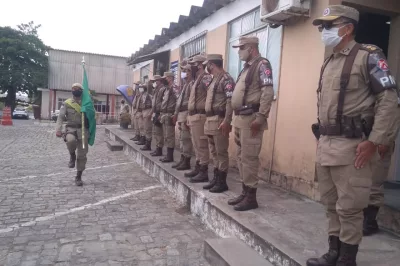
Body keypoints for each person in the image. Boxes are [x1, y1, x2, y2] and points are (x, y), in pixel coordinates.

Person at [308, 5, 398, 266]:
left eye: (329, 26)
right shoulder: (330, 61)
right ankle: (334, 252)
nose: (324, 31)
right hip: (327, 144)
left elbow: (389, 100)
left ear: (347, 28)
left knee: (349, 207)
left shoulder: (368, 56)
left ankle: (347, 258)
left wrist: (375, 140)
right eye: (323, 27)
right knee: (330, 204)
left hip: (352, 147)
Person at [227, 36, 274, 211]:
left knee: (249, 159)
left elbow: (267, 92)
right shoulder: (247, 68)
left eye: (241, 48)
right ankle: (245, 192)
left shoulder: (262, 65)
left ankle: (251, 197)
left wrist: (261, 117)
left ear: (251, 48)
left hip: (251, 120)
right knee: (241, 158)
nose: (239, 51)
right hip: (241, 119)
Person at [202, 54, 235, 193]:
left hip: (219, 119)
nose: (206, 67)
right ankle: (216, 178)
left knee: (221, 151)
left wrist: (227, 120)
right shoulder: (213, 79)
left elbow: (230, 101)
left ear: (212, 65)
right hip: (210, 119)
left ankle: (222, 182)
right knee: (213, 151)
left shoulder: (226, 78)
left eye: (207, 65)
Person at [185, 55, 213, 183]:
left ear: (200, 65)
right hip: (193, 115)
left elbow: (211, 93)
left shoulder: (206, 77)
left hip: (201, 116)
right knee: (196, 144)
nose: (192, 67)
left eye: (194, 64)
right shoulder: (197, 79)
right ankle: (198, 167)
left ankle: (203, 171)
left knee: (201, 145)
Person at [55, 83, 90, 186]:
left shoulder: (87, 103)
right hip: (71, 128)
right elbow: (61, 117)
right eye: (73, 89)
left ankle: (78, 176)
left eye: (77, 89)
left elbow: (92, 118)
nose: (75, 90)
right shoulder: (67, 103)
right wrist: (58, 129)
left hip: (83, 130)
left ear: (81, 91)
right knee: (70, 140)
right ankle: (72, 155)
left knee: (82, 155)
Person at [172, 63, 194, 171]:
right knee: (181, 138)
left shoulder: (191, 84)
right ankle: (182, 159)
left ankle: (186, 161)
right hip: (181, 114)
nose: (184, 73)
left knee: (186, 139)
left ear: (190, 73)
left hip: (186, 114)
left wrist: (188, 117)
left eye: (186, 71)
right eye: (183, 71)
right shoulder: (185, 85)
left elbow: (191, 102)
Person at [159, 72, 177, 163]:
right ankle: (167, 155)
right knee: (166, 136)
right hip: (164, 115)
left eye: (165, 78)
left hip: (170, 114)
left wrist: (175, 113)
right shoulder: (166, 90)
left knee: (170, 136)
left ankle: (170, 156)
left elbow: (178, 100)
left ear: (170, 78)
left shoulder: (174, 88)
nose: (163, 80)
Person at [150, 75, 166, 157]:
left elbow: (163, 102)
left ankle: (159, 149)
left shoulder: (163, 89)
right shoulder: (156, 90)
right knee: (156, 132)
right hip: (156, 112)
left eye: (156, 81)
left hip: (160, 112)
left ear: (160, 81)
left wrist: (161, 113)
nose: (155, 82)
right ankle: (157, 148)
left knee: (159, 133)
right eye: (154, 81)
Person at [136, 82, 153, 151]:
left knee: (148, 129)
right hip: (143, 111)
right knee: (145, 128)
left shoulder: (149, 94)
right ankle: (146, 143)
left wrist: (151, 113)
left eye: (143, 87)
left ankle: (148, 144)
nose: (141, 88)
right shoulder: (143, 94)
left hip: (148, 110)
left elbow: (153, 103)